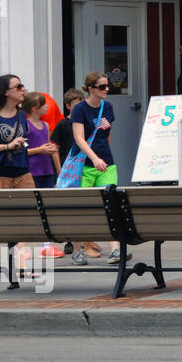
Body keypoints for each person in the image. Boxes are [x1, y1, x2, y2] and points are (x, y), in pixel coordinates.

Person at [71, 71, 128, 265]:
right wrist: (94, 158)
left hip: (106, 163)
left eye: (107, 85)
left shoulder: (108, 107)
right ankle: (77, 251)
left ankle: (115, 250)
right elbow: (79, 138)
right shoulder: (80, 109)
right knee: (81, 209)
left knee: (111, 204)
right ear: (91, 89)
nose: (107, 89)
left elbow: (107, 136)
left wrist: (103, 157)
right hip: (85, 164)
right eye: (102, 86)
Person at [51, 89, 95, 260]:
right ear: (68, 106)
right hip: (68, 170)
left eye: (81, 102)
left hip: (84, 168)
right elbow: (55, 148)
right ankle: (72, 241)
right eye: (76, 103)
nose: (79, 106)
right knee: (71, 207)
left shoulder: (87, 123)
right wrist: (59, 168)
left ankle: (85, 242)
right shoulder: (62, 125)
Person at [22, 93, 62, 257]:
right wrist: (41, 150)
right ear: (35, 109)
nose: (47, 107)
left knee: (46, 206)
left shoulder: (45, 125)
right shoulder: (25, 125)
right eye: (44, 105)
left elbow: (48, 145)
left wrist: (56, 162)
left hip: (47, 170)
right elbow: (22, 151)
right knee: (32, 207)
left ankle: (46, 245)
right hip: (33, 171)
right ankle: (23, 244)